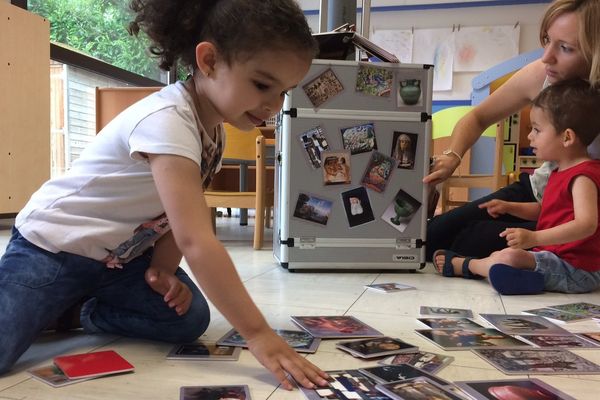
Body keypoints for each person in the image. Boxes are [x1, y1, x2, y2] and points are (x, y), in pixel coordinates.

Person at [0, 0, 329, 389]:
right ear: (208, 61)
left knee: (187, 319)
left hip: (115, 265)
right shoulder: (167, 120)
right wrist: (258, 334)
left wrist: (163, 269)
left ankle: (81, 310)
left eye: (285, 92)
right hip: (52, 249)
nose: (274, 106)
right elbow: (197, 240)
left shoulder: (213, 130)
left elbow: (174, 218)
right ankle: (57, 300)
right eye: (262, 85)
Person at [424, 0, 600, 261]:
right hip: (539, 192)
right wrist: (452, 155)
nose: (546, 57)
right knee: (431, 236)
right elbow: (477, 117)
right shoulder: (542, 74)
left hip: (580, 210)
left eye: (565, 48)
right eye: (546, 40)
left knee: (472, 242)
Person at [433, 79, 600, 295]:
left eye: (537, 130)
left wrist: (535, 238)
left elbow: (586, 225)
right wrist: (509, 207)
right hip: (558, 260)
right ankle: (527, 278)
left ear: (567, 137)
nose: (530, 136)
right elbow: (547, 210)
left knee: (510, 256)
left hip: (577, 270)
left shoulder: (583, 176)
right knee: (506, 255)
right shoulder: (560, 172)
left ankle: (466, 265)